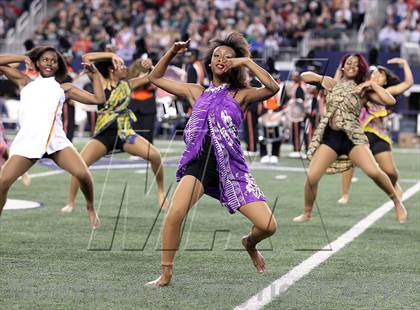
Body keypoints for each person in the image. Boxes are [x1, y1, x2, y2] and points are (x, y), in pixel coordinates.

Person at [145, 32, 279, 287]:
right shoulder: (196, 91)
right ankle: (166, 274)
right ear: (209, 63)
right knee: (174, 214)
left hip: (231, 167)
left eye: (228, 57)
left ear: (235, 63)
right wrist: (172, 51)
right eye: (217, 55)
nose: (221, 59)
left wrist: (247, 62)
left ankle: (249, 243)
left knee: (268, 226)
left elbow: (273, 88)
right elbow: (155, 77)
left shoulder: (242, 95)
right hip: (199, 163)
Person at [292, 53, 407, 224]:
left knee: (373, 172)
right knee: (312, 177)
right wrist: (323, 79)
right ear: (342, 66)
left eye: (356, 64)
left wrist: (371, 85)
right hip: (331, 137)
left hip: (352, 138)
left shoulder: (362, 90)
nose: (352, 66)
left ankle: (397, 202)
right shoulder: (331, 83)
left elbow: (389, 100)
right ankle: (307, 213)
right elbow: (304, 76)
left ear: (361, 69)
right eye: (348, 63)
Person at [0, 46, 104, 228]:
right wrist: (23, 58)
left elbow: (98, 100)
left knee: (83, 173)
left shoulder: (65, 88)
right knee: (3, 182)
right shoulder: (25, 82)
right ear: (38, 63)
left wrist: (94, 75)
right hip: (29, 142)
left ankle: (90, 207)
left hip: (56, 142)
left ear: (58, 65)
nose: (49, 63)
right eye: (45, 60)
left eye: (54, 61)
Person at [61, 52, 167, 213]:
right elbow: (86, 58)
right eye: (121, 65)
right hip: (104, 135)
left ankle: (161, 192)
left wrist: (151, 67)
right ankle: (70, 202)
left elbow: (154, 77)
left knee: (155, 155)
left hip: (124, 133)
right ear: (111, 69)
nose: (125, 68)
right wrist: (111, 54)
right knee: (79, 166)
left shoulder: (128, 84)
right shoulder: (100, 82)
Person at [337, 58, 413, 204]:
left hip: (378, 135)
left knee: (390, 171)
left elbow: (408, 83)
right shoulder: (362, 89)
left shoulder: (386, 91)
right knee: (348, 161)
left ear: (385, 81)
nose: (376, 76)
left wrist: (404, 64)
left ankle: (395, 185)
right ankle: (345, 194)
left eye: (381, 74)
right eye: (374, 73)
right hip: (359, 134)